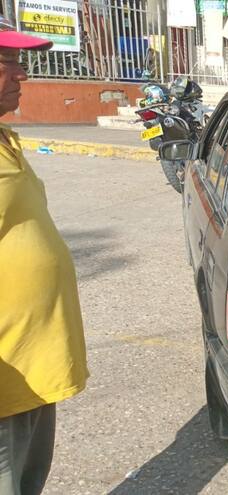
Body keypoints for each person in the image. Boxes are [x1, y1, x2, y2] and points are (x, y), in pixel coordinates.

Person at [0, 17, 89, 495]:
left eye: (20, 62)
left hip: (32, 364)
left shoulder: (5, 137)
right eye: (6, 61)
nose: (21, 74)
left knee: (27, 481)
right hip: (6, 371)